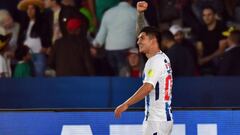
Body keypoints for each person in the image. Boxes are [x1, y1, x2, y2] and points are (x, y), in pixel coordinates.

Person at [114, 27, 173, 135]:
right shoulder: (162, 57)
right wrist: (140, 14)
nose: (138, 42)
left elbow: (147, 87)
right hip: (161, 119)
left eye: (142, 38)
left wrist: (126, 104)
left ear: (153, 40)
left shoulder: (155, 61)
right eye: (138, 39)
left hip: (156, 121)